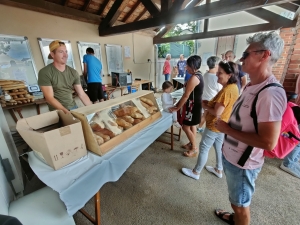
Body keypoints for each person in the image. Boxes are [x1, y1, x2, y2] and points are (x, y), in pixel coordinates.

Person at [215, 31, 287, 225]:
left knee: (241, 205)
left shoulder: (270, 94)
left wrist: (227, 130)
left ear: (265, 55)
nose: (241, 58)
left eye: (246, 54)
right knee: (235, 201)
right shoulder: (250, 86)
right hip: (232, 157)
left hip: (243, 164)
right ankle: (235, 217)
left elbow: (268, 142)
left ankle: (239, 218)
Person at [181, 61, 239, 180]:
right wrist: (209, 103)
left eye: (220, 73)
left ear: (230, 75)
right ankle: (219, 168)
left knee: (204, 147)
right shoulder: (233, 88)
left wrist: (206, 106)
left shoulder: (227, 90)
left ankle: (196, 172)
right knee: (218, 147)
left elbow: (217, 112)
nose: (217, 74)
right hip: (223, 123)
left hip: (215, 124)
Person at [38, 40, 92, 113]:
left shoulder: (73, 72)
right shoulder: (45, 72)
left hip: (73, 108)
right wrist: (66, 112)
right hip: (57, 112)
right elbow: (49, 98)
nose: (65, 55)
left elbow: (82, 94)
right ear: (52, 54)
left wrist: (93, 109)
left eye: (66, 51)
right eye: (61, 52)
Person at [170, 55, 204, 157]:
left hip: (193, 106)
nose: (186, 68)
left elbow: (185, 96)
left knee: (185, 127)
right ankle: (191, 143)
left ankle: (194, 148)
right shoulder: (198, 75)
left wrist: (177, 108)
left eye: (188, 66)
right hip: (194, 104)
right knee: (192, 125)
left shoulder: (194, 78)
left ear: (193, 66)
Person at [197, 56, 222, 133]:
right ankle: (200, 128)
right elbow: (220, 91)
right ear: (216, 65)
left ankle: (199, 128)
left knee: (204, 115)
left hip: (204, 98)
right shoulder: (216, 78)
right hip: (211, 101)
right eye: (219, 64)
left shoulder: (206, 74)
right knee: (206, 116)